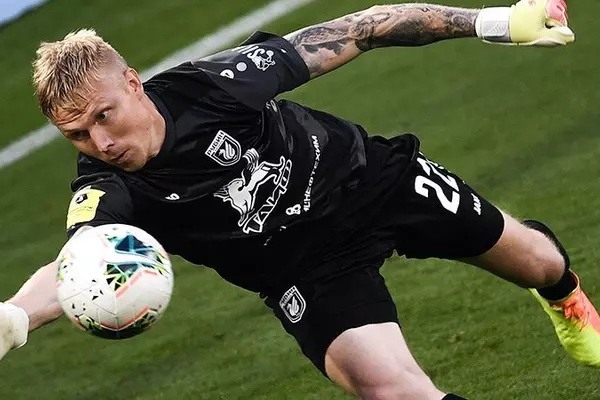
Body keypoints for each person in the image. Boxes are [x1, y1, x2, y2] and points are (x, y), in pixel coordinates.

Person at [0, 0, 595, 399]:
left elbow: (364, 28)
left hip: (369, 183)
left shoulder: (215, 86)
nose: (101, 143)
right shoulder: (106, 186)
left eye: (104, 116)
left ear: (133, 83)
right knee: (391, 389)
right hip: (303, 269)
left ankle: (565, 298)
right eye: (77, 134)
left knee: (540, 263)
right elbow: (77, 263)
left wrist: (495, 21)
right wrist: (15, 318)